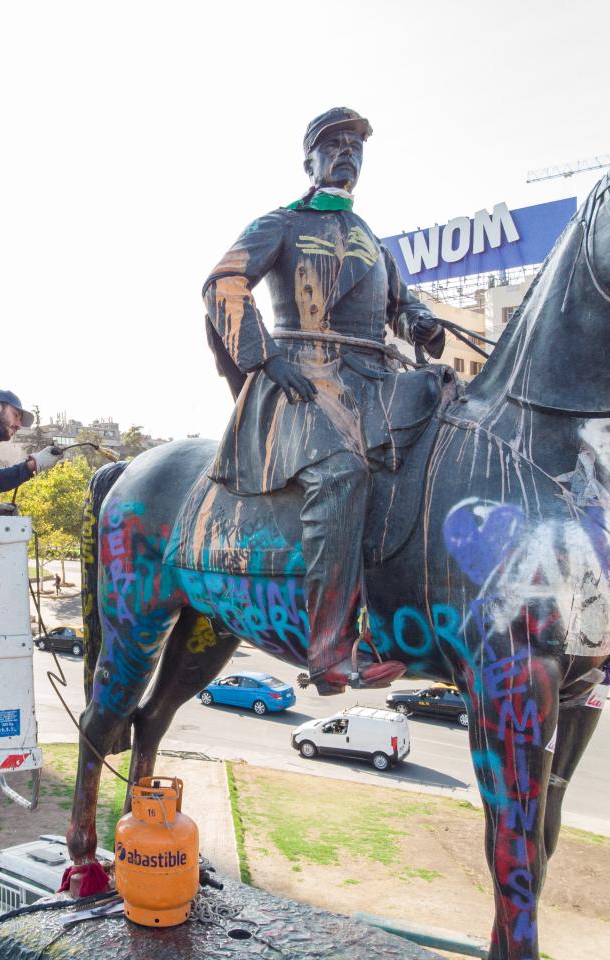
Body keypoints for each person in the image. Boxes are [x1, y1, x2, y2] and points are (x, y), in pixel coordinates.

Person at [202, 107, 445, 695]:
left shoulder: (371, 241)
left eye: (355, 147)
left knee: (448, 429)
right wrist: (264, 356)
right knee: (343, 474)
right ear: (308, 159)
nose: (346, 155)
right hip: (303, 380)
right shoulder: (281, 223)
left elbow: (402, 308)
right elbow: (223, 282)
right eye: (333, 145)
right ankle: (332, 652)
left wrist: (422, 323)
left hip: (375, 380)